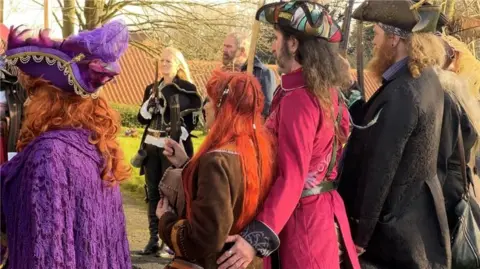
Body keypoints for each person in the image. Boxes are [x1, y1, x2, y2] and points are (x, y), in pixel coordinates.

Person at [217, 2, 360, 269]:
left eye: (276, 38)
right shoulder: (322, 91)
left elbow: (293, 176)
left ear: (293, 44)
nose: (272, 47)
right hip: (316, 216)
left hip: (302, 227)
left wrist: (254, 240)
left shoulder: (301, 99)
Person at [0, 20, 132, 268]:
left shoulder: (50, 153)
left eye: (33, 93)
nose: (27, 104)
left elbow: (47, 254)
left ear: (50, 99)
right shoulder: (96, 145)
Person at [337, 1, 449, 268]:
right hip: (416, 217)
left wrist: (361, 234)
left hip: (393, 232)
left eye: (376, 34)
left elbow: (381, 167)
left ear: (394, 40)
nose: (373, 42)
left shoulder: (403, 92)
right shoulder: (425, 79)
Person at [156, 71, 275, 269]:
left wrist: (166, 221)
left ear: (224, 108)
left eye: (211, 100)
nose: (206, 106)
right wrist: (187, 164)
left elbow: (206, 237)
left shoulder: (215, 161)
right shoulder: (260, 154)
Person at [136, 47, 202, 256]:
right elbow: (142, 118)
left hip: (172, 148)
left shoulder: (187, 89)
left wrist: (179, 131)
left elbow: (192, 121)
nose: (164, 64)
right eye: (162, 60)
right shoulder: (151, 88)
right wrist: (149, 105)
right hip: (151, 146)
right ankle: (153, 237)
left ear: (178, 65)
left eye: (168, 61)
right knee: (152, 191)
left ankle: (169, 241)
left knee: (172, 193)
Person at [222, 31, 276, 117]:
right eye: (224, 46)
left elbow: (267, 110)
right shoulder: (223, 73)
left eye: (229, 46)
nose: (224, 50)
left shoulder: (263, 73)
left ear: (242, 51)